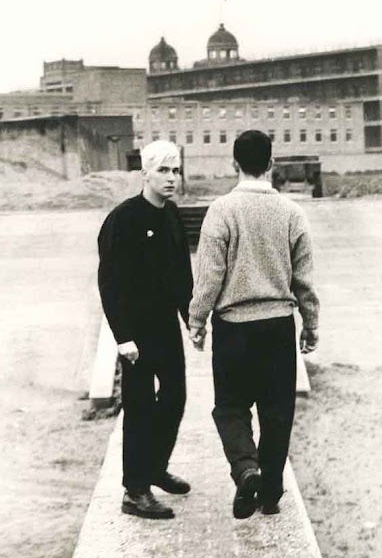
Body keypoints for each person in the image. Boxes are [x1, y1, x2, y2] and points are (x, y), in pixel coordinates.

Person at [188, 130, 319, 519]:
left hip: (234, 328)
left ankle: (246, 468)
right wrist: (311, 324)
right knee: (277, 412)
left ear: (234, 164)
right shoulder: (292, 213)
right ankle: (271, 493)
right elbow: (304, 279)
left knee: (230, 407)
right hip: (278, 326)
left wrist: (197, 320)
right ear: (272, 164)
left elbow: (209, 276)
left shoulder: (221, 211)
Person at [98, 140, 193, 520]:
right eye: (163, 171)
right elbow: (109, 283)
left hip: (165, 326)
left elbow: (181, 275)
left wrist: (192, 319)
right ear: (145, 174)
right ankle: (135, 490)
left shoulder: (171, 215)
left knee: (175, 397)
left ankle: (155, 467)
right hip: (135, 332)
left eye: (175, 171)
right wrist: (123, 337)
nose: (171, 178)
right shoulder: (123, 219)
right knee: (139, 408)